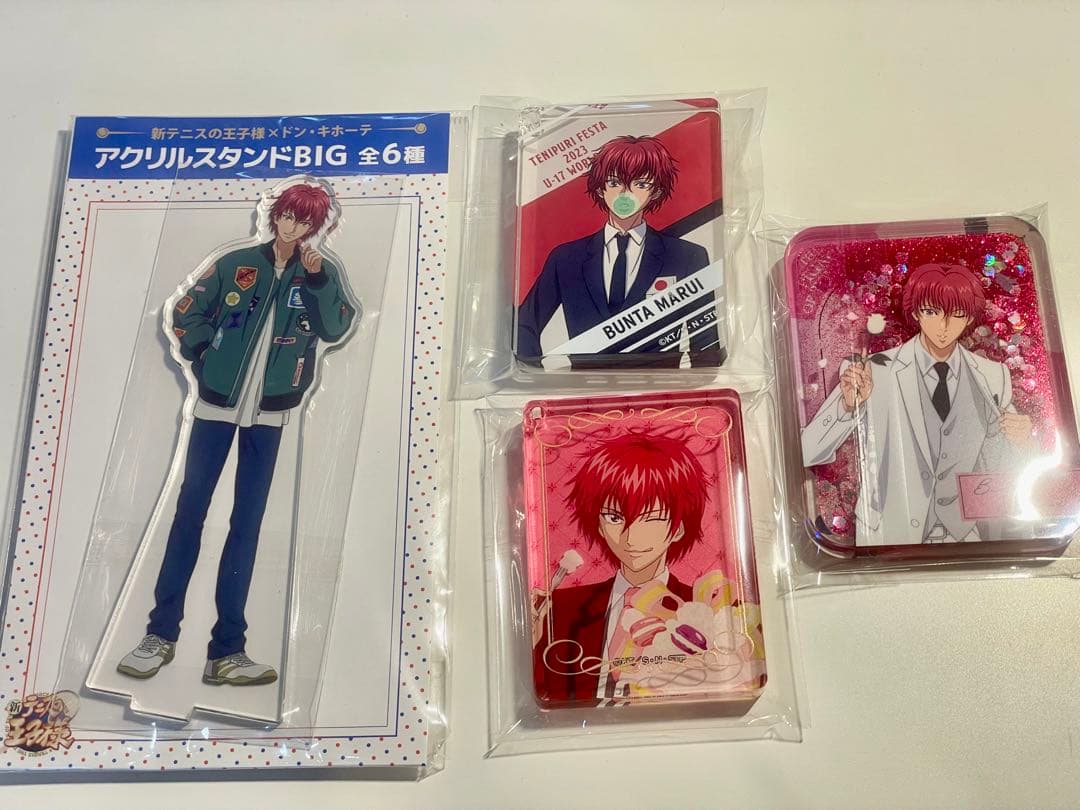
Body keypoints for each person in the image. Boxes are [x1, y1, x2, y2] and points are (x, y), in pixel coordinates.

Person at [117, 182, 356, 686]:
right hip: (215, 405)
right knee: (189, 516)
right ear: (275, 214)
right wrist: (208, 357)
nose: (290, 226)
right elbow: (186, 312)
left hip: (270, 413)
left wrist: (318, 283)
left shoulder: (320, 273)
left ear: (315, 227)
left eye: (303, 221)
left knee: (246, 526)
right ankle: (159, 635)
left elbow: (336, 328)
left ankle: (227, 650)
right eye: (286, 215)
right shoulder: (238, 262)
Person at [801, 263, 1033, 546]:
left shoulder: (993, 376)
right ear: (915, 312)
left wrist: (1024, 440)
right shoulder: (875, 369)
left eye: (957, 314)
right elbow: (807, 451)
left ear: (970, 318)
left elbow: (1014, 464)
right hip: (889, 536)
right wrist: (846, 408)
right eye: (932, 312)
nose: (944, 326)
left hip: (967, 539)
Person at [531, 433, 709, 705]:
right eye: (614, 517)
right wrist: (532, 642)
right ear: (599, 524)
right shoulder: (561, 609)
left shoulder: (703, 608)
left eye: (651, 518)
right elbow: (544, 689)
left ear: (679, 528)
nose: (630, 537)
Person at [516, 135, 722, 368]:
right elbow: (524, 324)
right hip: (584, 385)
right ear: (600, 187)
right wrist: (535, 375)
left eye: (640, 184)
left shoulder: (687, 256)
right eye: (615, 183)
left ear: (656, 191)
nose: (625, 194)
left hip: (660, 384)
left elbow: (706, 340)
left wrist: (697, 383)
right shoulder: (566, 258)